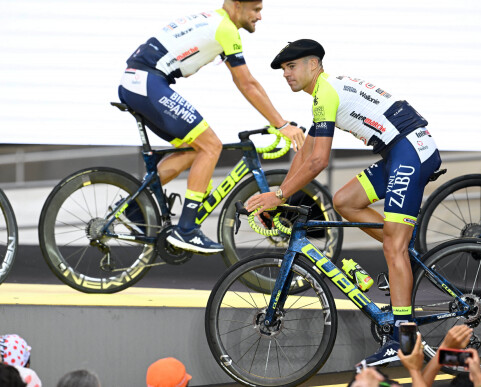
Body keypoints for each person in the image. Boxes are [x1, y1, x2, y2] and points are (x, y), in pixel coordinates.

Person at [246, 39, 442, 367]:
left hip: (411, 150)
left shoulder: (326, 92)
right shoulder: (325, 92)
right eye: (283, 70)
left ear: (313, 64)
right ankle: (402, 249)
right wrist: (283, 196)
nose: (286, 74)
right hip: (399, 152)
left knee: (393, 247)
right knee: (345, 201)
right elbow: (307, 151)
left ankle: (403, 340)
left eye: (291, 66)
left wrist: (277, 196)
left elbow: (318, 161)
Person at [118, 0, 305, 254]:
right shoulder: (226, 29)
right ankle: (186, 230)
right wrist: (281, 124)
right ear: (237, 5)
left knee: (194, 149)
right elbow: (247, 83)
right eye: (256, 9)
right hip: (146, 81)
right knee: (211, 145)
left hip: (138, 82)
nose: (260, 16)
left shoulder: (213, 21)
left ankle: (131, 208)